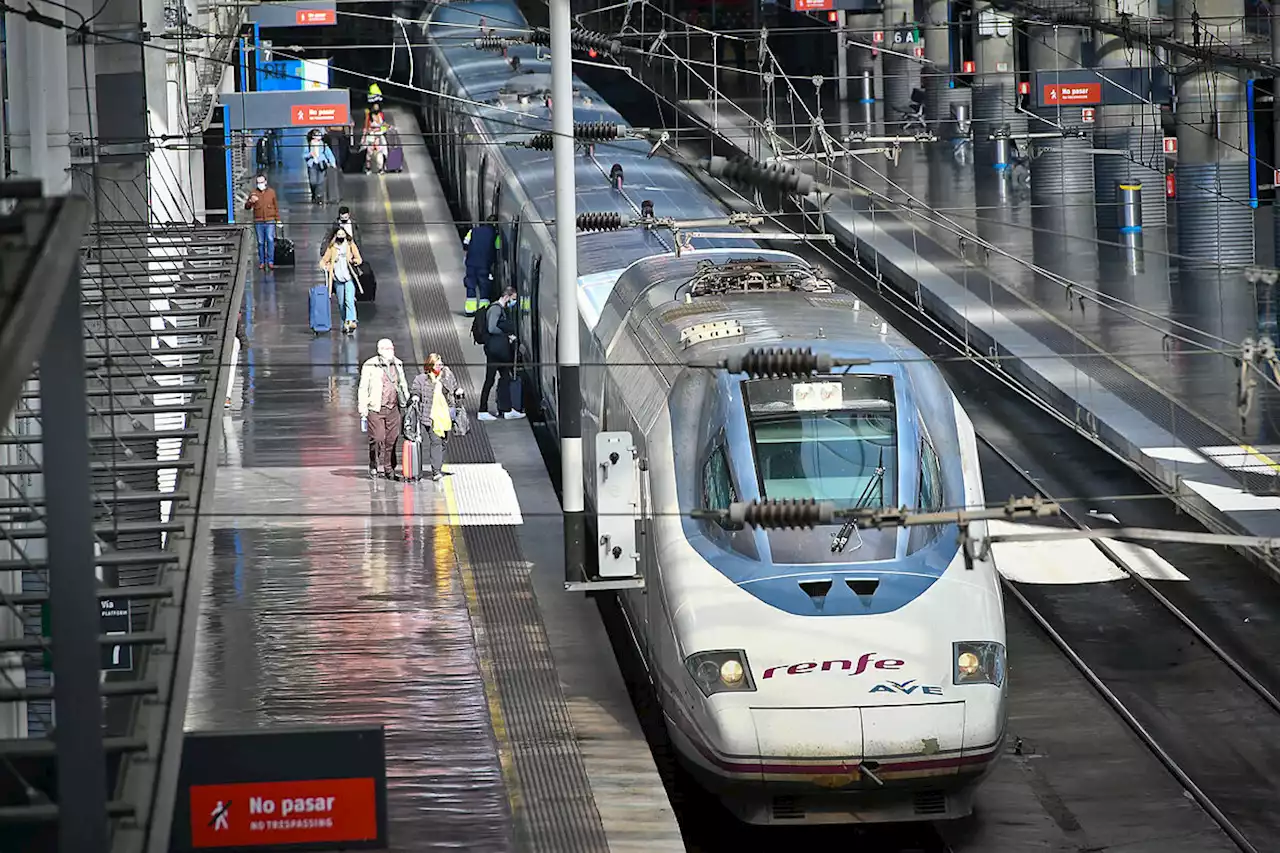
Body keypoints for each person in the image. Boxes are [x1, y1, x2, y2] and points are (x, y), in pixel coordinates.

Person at [358, 339, 409, 479]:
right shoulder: (369, 365)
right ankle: (373, 464)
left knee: (392, 439)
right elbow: (363, 388)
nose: (390, 350)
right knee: (378, 437)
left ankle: (389, 469)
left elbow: (402, 383)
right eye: (386, 348)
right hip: (375, 408)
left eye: (391, 348)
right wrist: (363, 410)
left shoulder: (398, 364)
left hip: (393, 408)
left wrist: (407, 400)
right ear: (380, 350)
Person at [411, 354, 464, 482]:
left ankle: (438, 465)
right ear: (430, 365)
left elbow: (454, 388)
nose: (440, 367)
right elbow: (415, 390)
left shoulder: (447, 376)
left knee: (444, 442)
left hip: (446, 415)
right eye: (437, 364)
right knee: (436, 442)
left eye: (441, 364)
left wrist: (459, 392)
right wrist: (415, 397)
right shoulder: (422, 379)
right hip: (430, 416)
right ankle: (436, 471)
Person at [478, 287, 525, 422]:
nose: (513, 302)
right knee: (490, 380)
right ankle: (482, 410)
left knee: (505, 377)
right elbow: (492, 328)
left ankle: (507, 409)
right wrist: (506, 335)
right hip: (495, 351)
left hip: (498, 351)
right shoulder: (496, 309)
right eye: (513, 299)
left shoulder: (498, 309)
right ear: (507, 296)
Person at [321, 229, 364, 334]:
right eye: (339, 235)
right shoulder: (332, 248)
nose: (341, 236)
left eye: (342, 234)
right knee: (341, 303)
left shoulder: (350, 245)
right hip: (337, 279)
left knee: (349, 300)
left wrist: (354, 261)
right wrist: (327, 266)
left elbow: (359, 259)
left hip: (349, 277)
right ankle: (345, 321)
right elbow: (323, 261)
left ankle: (351, 321)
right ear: (335, 236)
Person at [461, 219, 501, 316]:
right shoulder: (495, 235)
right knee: (484, 287)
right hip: (485, 265)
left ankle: (470, 310)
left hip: (471, 264)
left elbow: (465, 244)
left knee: (470, 285)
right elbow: (498, 249)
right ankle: (484, 310)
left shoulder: (473, 231)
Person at [244, 174, 280, 270]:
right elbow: (247, 207)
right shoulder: (253, 193)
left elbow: (276, 207)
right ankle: (262, 262)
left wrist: (278, 219)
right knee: (260, 242)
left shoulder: (271, 192)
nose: (260, 184)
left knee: (270, 240)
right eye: (258, 182)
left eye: (262, 182)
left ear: (266, 182)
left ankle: (270, 261)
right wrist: (251, 201)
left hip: (270, 220)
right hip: (258, 221)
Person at [304, 129, 336, 205]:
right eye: (317, 134)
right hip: (312, 165)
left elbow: (329, 154)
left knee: (320, 181)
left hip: (321, 164)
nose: (319, 136)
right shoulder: (308, 145)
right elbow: (304, 155)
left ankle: (319, 196)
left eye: (319, 134)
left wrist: (332, 163)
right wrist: (310, 155)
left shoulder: (324, 145)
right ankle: (314, 193)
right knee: (313, 181)